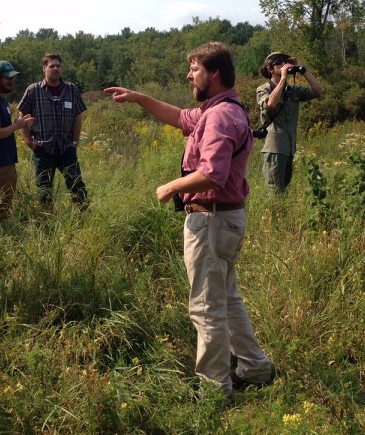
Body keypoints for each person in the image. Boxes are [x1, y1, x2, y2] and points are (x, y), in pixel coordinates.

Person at [105, 42, 274, 402]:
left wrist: (171, 187)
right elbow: (180, 118)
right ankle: (256, 369)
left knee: (206, 306)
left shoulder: (220, 116)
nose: (188, 75)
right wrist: (140, 98)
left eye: (194, 69)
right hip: (224, 218)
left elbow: (212, 173)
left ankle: (215, 391)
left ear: (213, 74)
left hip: (211, 221)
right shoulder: (219, 109)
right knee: (227, 299)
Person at [17, 54, 88, 208]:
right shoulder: (34, 90)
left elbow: (78, 115)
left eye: (58, 66)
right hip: (43, 150)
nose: (56, 69)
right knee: (44, 191)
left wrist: (74, 143)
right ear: (44, 69)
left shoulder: (71, 89)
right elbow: (21, 116)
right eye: (52, 66)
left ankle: (84, 217)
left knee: (77, 186)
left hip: (66, 148)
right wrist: (29, 141)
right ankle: (47, 222)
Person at [256, 53, 323, 192]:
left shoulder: (292, 91)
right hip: (274, 148)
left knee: (284, 190)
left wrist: (303, 70)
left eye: (286, 62)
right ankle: (272, 214)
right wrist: (283, 79)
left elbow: (319, 90)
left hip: (289, 148)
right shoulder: (264, 89)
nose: (284, 65)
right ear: (270, 69)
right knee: (274, 191)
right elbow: (270, 104)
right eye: (279, 62)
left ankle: (280, 213)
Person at [0, 61, 34, 221]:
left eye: (13, 78)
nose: (12, 81)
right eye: (7, 78)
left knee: (4, 203)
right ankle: (4, 234)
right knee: (3, 207)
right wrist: (17, 125)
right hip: (0, 163)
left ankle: (2, 230)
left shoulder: (0, 99)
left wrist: (19, 124)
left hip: (4, 161)